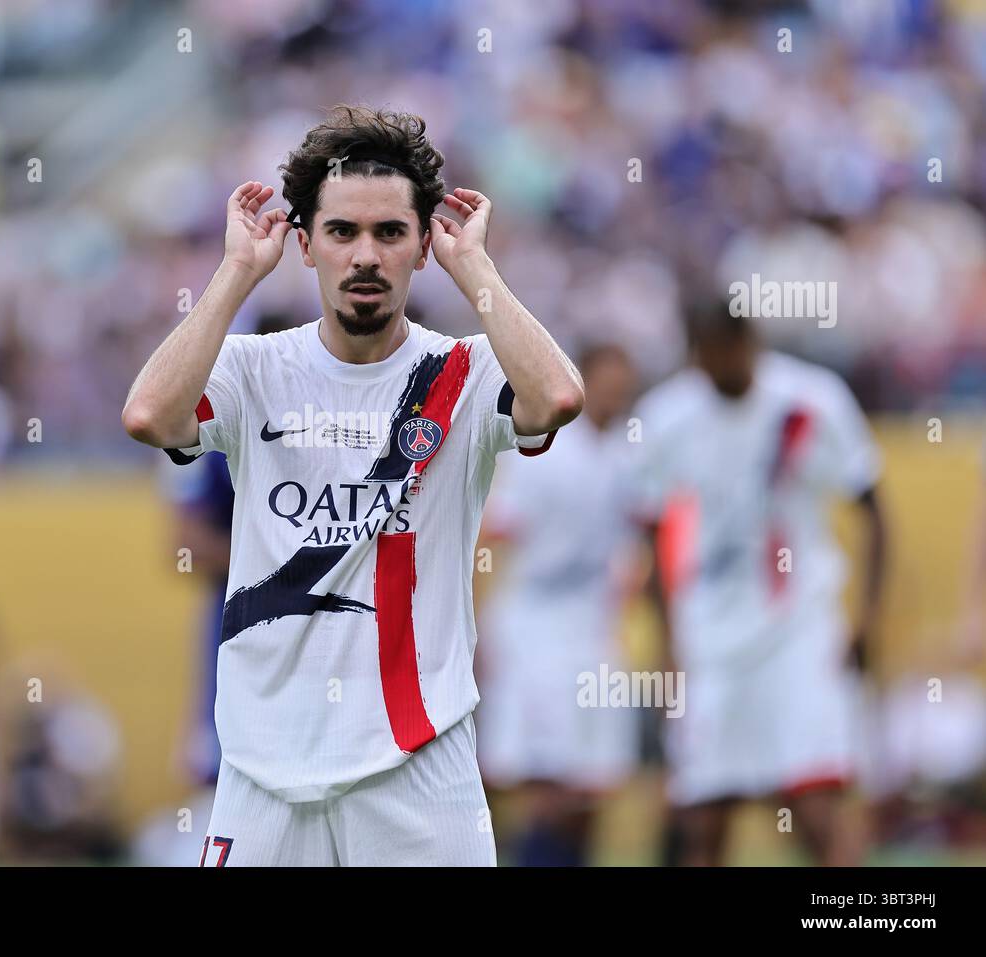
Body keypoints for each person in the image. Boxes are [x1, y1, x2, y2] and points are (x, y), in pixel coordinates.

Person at [123, 104, 583, 866]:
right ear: (304, 245)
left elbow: (559, 398)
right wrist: (236, 271)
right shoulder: (252, 369)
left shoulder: (462, 374)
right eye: (342, 232)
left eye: (390, 233)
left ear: (422, 247)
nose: (365, 254)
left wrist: (479, 269)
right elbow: (147, 413)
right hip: (261, 770)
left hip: (418, 766)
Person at [627, 301, 887, 866]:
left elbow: (872, 509)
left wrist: (865, 619)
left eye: (730, 349)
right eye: (708, 354)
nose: (722, 364)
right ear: (695, 354)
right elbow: (651, 538)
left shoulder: (811, 400)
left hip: (800, 629)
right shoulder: (665, 418)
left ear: (751, 342)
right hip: (711, 637)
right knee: (706, 815)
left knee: (816, 804)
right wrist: (669, 642)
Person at [476, 343, 642, 866]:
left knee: (590, 781)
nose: (615, 397)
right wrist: (475, 626)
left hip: (593, 630)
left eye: (623, 387)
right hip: (534, 627)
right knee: (538, 777)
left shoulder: (628, 453)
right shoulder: (541, 451)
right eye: (606, 385)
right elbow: (492, 538)